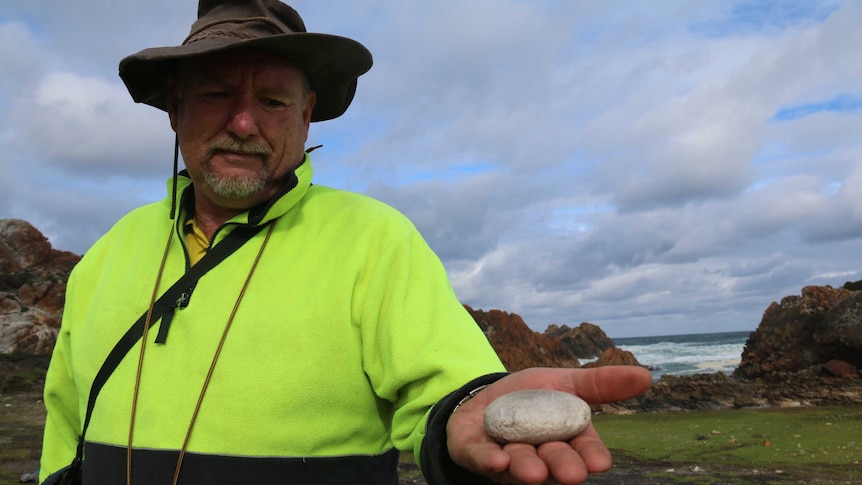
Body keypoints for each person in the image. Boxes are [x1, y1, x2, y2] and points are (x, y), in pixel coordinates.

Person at [39, 1, 652, 484]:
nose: (244, 121)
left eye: (274, 101)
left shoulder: (375, 240)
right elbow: (65, 421)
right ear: (175, 108)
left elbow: (444, 386)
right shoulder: (107, 254)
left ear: (306, 118)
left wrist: (468, 415)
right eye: (216, 93)